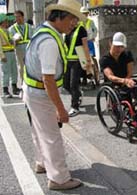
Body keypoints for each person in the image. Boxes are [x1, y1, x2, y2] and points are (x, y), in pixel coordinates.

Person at [22, 0, 86, 190]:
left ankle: (42, 163)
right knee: (52, 136)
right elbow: (48, 79)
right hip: (41, 94)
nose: (74, 24)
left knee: (39, 131)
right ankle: (59, 178)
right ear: (59, 17)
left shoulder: (44, 31)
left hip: (32, 91)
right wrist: (60, 109)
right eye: (72, 19)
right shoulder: (50, 41)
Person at [64, 21, 92, 117]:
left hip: (77, 61)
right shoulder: (68, 29)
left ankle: (75, 107)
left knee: (73, 84)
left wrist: (88, 60)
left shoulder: (81, 29)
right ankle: (78, 94)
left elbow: (85, 45)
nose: (72, 21)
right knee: (65, 84)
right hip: (68, 60)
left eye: (73, 18)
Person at [9, 10, 34, 84]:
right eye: (16, 17)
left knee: (30, 66)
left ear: (23, 17)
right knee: (22, 67)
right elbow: (10, 41)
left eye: (19, 16)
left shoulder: (29, 27)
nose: (17, 18)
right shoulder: (12, 28)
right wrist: (14, 40)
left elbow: (33, 38)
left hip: (29, 49)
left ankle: (31, 82)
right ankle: (24, 82)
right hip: (19, 49)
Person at [0, 14, 19, 97]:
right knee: (6, 72)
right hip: (5, 54)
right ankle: (5, 90)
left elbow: (11, 41)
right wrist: (2, 55)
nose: (8, 22)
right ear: (2, 22)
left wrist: (15, 40)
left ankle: (14, 88)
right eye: (6, 21)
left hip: (11, 52)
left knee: (14, 71)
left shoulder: (7, 31)